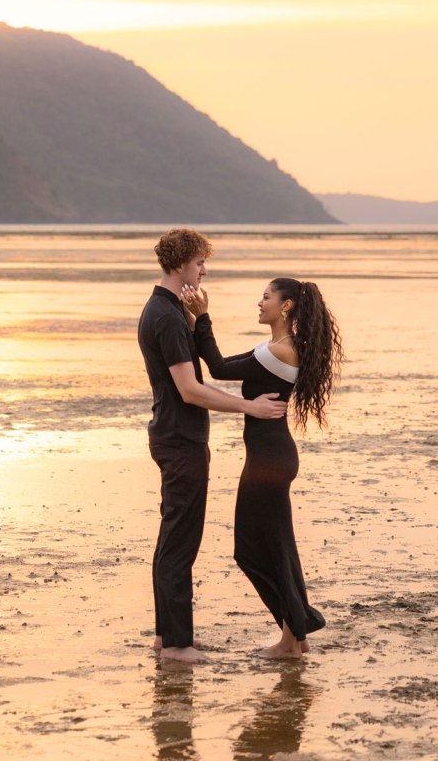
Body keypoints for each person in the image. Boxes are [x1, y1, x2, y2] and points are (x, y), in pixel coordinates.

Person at [138, 229, 289, 665]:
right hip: (180, 438)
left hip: (175, 435)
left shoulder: (168, 310)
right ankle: (176, 645)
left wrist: (197, 319)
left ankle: (166, 636)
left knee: (173, 537)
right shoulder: (166, 316)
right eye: (200, 263)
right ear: (181, 263)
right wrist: (249, 406)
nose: (203, 271)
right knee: (180, 541)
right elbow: (190, 389)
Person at [183, 277, 342, 659]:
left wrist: (202, 318)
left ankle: (293, 636)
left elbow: (219, 368)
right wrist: (195, 322)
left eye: (266, 297)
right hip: (271, 458)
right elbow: (222, 363)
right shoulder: (277, 348)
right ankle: (296, 636)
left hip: (269, 462)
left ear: (285, 306)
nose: (260, 302)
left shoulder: (280, 352)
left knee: (254, 550)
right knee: (278, 548)